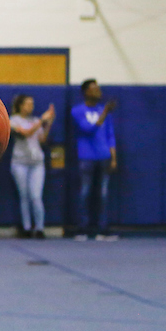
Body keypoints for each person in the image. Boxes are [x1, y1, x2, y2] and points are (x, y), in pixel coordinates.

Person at [71, 79, 117, 240]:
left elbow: (110, 135)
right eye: (94, 89)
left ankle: (102, 229)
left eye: (99, 88)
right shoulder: (78, 111)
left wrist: (113, 157)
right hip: (86, 157)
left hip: (104, 156)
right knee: (85, 192)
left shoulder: (103, 110)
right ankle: (83, 228)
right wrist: (104, 112)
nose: (98, 91)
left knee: (103, 194)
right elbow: (88, 129)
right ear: (86, 92)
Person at [9, 94, 55, 238]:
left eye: (32, 104)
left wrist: (48, 124)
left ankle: (40, 228)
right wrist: (42, 120)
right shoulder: (12, 120)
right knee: (24, 196)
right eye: (28, 104)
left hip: (37, 163)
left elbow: (42, 140)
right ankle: (27, 227)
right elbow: (26, 133)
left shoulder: (35, 120)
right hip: (20, 162)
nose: (31, 107)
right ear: (20, 106)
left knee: (36, 196)